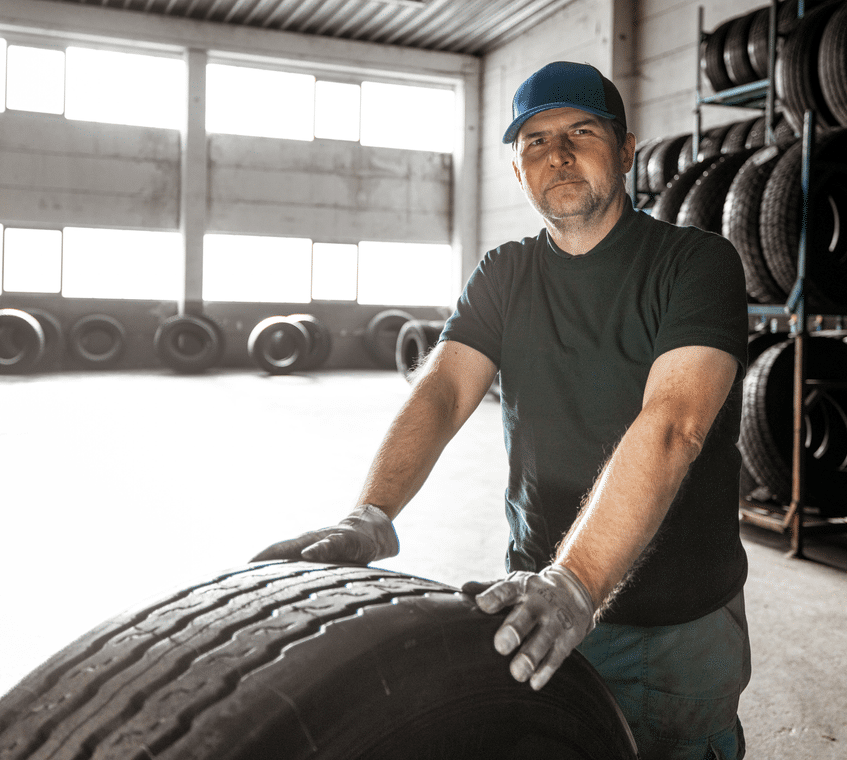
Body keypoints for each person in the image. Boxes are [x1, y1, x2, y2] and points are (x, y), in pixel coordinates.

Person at [252, 60, 751, 760]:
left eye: (582, 130)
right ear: (518, 171)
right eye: (536, 142)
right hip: (533, 600)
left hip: (668, 628)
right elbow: (445, 391)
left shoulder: (695, 263)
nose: (559, 154)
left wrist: (575, 584)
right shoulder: (505, 274)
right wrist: (370, 516)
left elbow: (674, 424)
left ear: (627, 149)